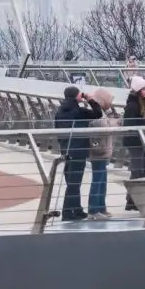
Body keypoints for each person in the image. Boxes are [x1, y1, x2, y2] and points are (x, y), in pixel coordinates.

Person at [53, 85, 103, 222]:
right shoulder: (79, 111)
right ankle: (68, 213)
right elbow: (98, 114)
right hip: (79, 150)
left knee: (72, 182)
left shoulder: (59, 112)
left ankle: (77, 209)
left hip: (66, 150)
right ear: (77, 96)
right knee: (74, 184)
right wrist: (90, 100)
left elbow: (57, 131)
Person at [122, 76, 145, 212]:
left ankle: (133, 200)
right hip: (136, 143)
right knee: (138, 170)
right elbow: (132, 125)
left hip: (144, 142)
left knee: (143, 170)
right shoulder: (132, 106)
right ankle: (133, 201)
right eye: (143, 89)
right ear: (137, 91)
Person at [88, 88, 119, 220]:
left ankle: (101, 207)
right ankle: (94, 209)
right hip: (98, 151)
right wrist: (113, 122)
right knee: (98, 180)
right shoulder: (96, 113)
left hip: (103, 151)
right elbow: (104, 127)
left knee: (102, 180)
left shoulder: (102, 112)